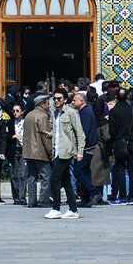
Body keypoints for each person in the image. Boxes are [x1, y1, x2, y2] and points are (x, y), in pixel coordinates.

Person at [46, 89, 83, 219]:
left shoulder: (72, 113)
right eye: (55, 98)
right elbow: (58, 133)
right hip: (57, 151)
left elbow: (79, 133)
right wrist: (49, 134)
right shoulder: (57, 114)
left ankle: (56, 208)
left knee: (54, 179)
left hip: (66, 151)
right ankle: (73, 209)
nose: (56, 101)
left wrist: (80, 152)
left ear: (65, 100)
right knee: (66, 181)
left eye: (59, 98)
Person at [22, 93, 54, 208]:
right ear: (42, 104)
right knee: (47, 175)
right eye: (48, 103)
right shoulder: (42, 116)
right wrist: (50, 151)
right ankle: (43, 199)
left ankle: (31, 200)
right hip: (39, 151)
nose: (49, 106)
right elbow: (45, 136)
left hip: (28, 151)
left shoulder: (29, 115)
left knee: (32, 176)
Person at [107, 88, 133, 204]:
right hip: (132, 142)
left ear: (116, 98)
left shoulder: (114, 111)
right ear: (127, 97)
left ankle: (123, 196)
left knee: (120, 168)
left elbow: (112, 130)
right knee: (132, 169)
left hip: (119, 142)